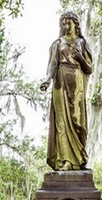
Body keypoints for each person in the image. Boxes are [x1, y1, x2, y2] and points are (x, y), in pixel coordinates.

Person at [40, 11, 93, 171]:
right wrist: (47, 80)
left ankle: (79, 159)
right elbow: (52, 64)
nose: (65, 26)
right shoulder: (57, 44)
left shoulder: (82, 43)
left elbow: (89, 68)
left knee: (79, 122)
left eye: (68, 22)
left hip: (77, 84)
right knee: (62, 122)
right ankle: (66, 161)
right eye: (62, 23)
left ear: (75, 24)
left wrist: (80, 58)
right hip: (60, 83)